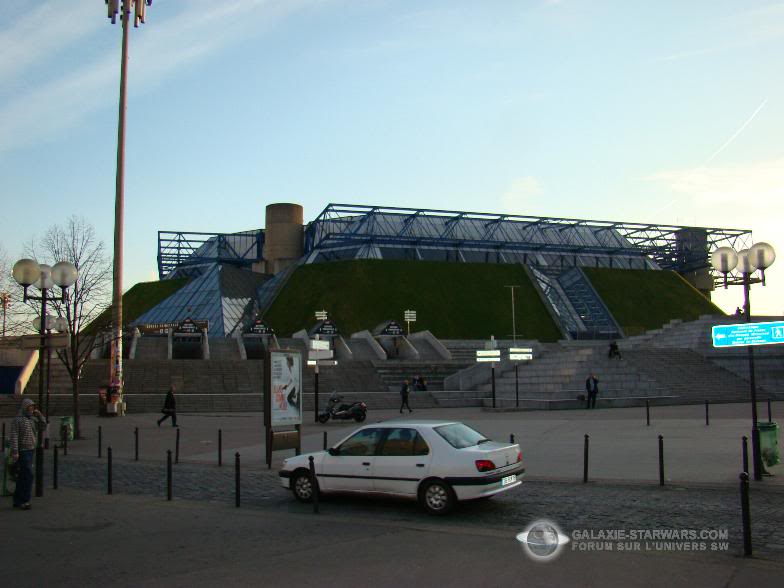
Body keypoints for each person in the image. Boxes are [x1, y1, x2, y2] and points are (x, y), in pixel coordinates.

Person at [9, 398, 47, 510]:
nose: (32, 409)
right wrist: (15, 451)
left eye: (33, 407)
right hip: (22, 451)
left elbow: (43, 426)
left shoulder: (32, 420)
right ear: (25, 408)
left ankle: (17, 500)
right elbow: (14, 436)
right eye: (30, 407)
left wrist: (40, 415)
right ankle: (24, 500)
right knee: (28, 475)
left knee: (22, 476)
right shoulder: (18, 420)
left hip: (31, 449)